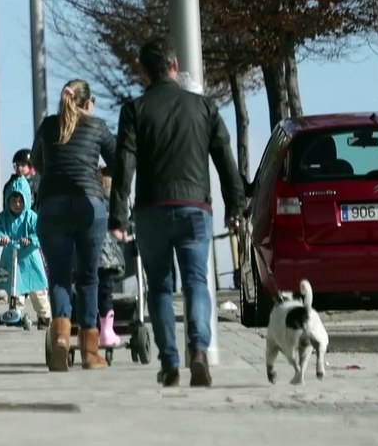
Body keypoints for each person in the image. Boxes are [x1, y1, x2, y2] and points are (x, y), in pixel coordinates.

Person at [108, 38, 245, 388]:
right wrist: (235, 206)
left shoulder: (134, 110)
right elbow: (225, 159)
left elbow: (124, 164)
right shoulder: (204, 107)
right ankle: (198, 350)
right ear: (174, 65)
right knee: (196, 281)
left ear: (144, 71)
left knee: (159, 287)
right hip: (194, 207)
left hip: (151, 209)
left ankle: (169, 362)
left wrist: (118, 215)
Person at [31, 79, 116, 371]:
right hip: (89, 205)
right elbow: (119, 160)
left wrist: (56, 171)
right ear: (89, 103)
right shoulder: (97, 126)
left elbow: (36, 161)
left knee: (59, 277)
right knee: (88, 278)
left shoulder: (48, 126)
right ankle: (90, 353)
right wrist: (97, 172)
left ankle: (61, 339)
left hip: (52, 206)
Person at [0, 177, 51, 329]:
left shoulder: (31, 217)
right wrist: (0, 236)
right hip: (12, 258)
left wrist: (30, 240)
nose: (17, 204)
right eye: (13, 201)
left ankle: (44, 316)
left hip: (30, 259)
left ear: (26, 200)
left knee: (38, 292)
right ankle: (15, 313)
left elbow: (40, 232)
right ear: (8, 200)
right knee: (14, 288)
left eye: (20, 201)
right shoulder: (3, 217)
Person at [96, 171, 126, 349]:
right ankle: (107, 331)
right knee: (105, 293)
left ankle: (90, 329)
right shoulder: (111, 205)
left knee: (88, 291)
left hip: (89, 257)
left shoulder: (88, 203)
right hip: (109, 260)